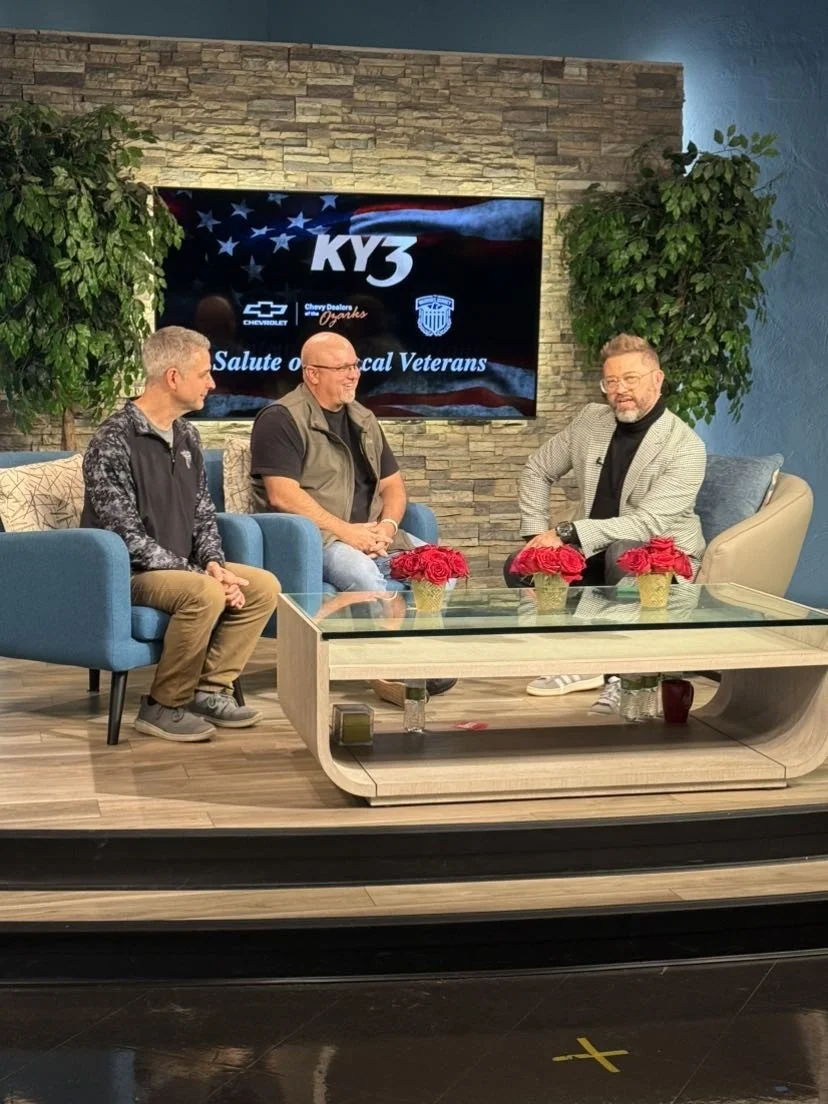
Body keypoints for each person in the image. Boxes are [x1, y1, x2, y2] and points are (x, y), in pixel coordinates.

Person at [81, 326, 281, 742]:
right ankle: (162, 706)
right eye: (204, 373)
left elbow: (203, 515)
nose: (212, 383)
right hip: (125, 574)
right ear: (173, 377)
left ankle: (208, 691)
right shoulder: (112, 440)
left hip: (181, 569)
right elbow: (127, 539)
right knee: (203, 592)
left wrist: (214, 563)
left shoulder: (188, 436)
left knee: (263, 586)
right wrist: (203, 576)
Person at [250, 330, 454, 697]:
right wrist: (348, 532)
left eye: (355, 365)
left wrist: (387, 528)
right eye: (342, 367)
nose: (354, 374)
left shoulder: (364, 418)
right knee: (363, 575)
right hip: (321, 538)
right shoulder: (280, 418)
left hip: (376, 534)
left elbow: (393, 487)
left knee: (442, 569)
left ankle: (420, 657)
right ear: (312, 374)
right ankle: (383, 667)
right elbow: (282, 495)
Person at [508, 333, 706, 711]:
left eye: (630, 379)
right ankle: (575, 662)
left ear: (657, 379)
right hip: (592, 546)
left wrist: (566, 533)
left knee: (624, 554)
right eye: (611, 381)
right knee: (519, 567)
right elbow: (537, 469)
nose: (620, 390)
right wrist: (536, 537)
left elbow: (648, 524)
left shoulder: (685, 446)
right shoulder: (590, 420)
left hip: (659, 558)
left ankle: (620, 675)